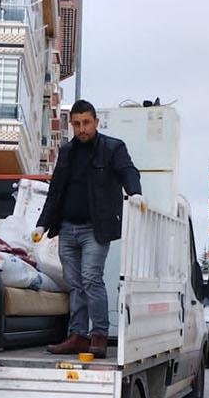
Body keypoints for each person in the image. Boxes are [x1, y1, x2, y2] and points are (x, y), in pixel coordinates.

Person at [33, 99, 145, 358]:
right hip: (66, 228)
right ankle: (78, 336)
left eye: (86, 123)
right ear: (71, 125)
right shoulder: (67, 152)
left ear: (96, 122)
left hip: (95, 229)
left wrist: (135, 193)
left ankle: (99, 335)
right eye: (76, 124)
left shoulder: (113, 148)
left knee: (91, 278)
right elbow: (56, 190)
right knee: (74, 283)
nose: (81, 129)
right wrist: (43, 223)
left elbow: (129, 171)